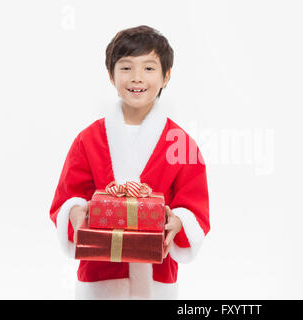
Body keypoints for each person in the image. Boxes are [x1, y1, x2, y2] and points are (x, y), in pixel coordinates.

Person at [49, 25, 210, 299]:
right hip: (99, 278)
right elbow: (68, 197)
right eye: (125, 68)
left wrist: (180, 222)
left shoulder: (181, 143)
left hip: (157, 279)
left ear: (166, 76)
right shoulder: (87, 140)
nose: (137, 78)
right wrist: (74, 212)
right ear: (111, 76)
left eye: (149, 68)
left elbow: (195, 207)